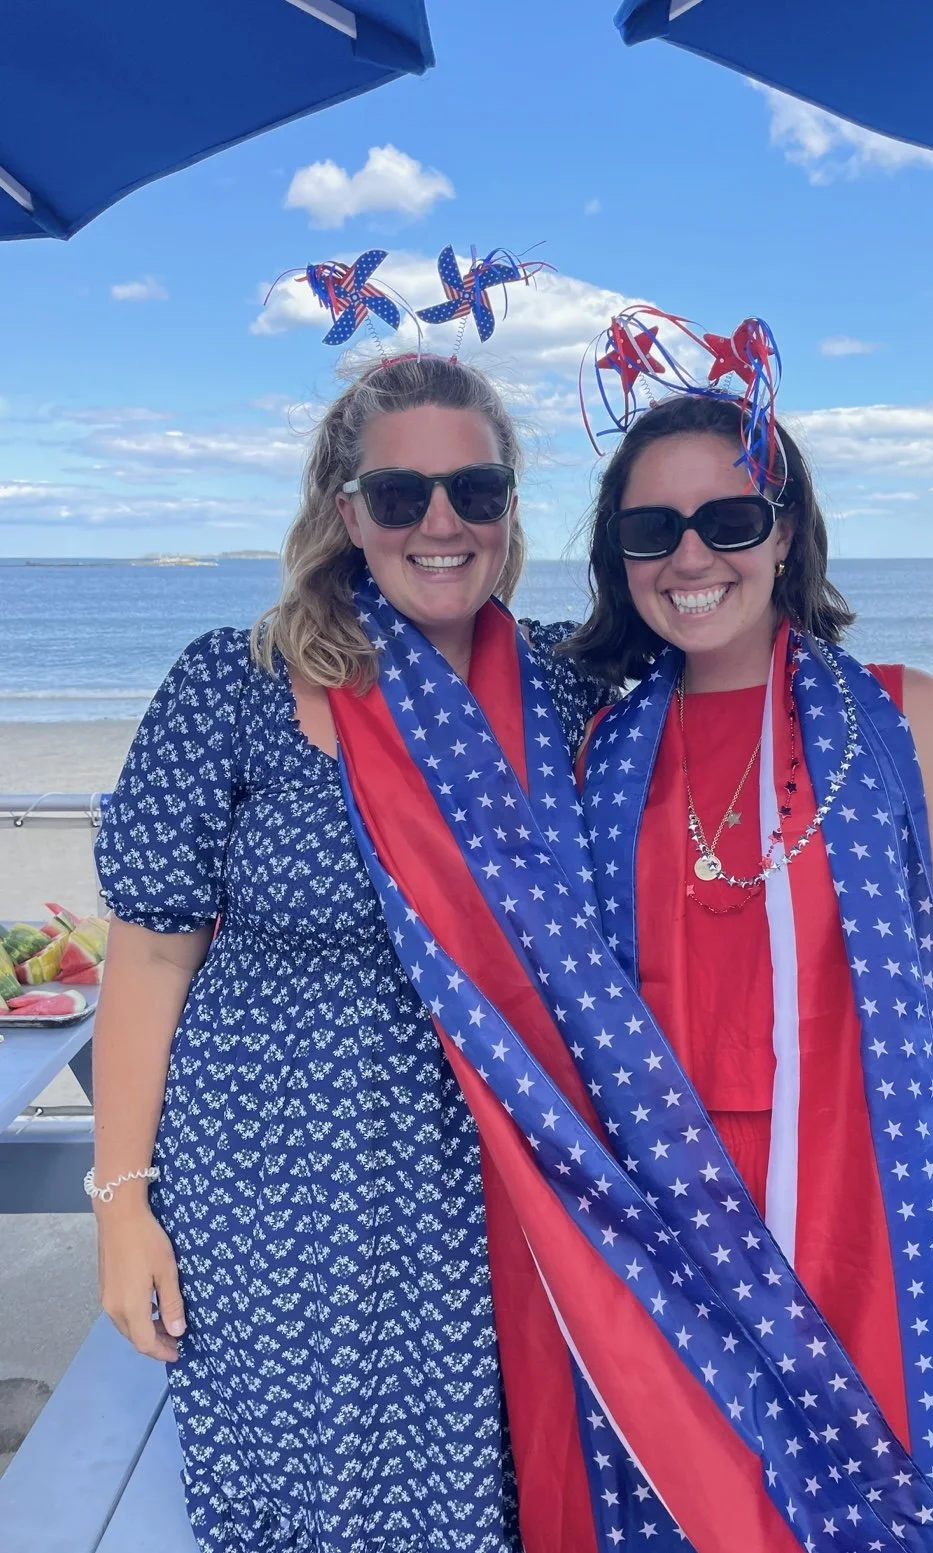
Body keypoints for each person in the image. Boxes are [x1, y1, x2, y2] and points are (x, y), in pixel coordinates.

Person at [90, 353, 609, 1553]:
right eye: (400, 496)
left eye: (475, 492)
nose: (441, 523)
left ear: (510, 509)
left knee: (486, 1489)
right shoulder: (237, 683)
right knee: (301, 1504)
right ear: (345, 514)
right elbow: (152, 959)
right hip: (271, 1196)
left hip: (488, 1190)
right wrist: (122, 1205)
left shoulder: (558, 692)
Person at [563, 388, 933, 1548]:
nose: (689, 555)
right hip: (675, 1231)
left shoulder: (905, 716)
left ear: (782, 531)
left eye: (727, 518)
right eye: (648, 528)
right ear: (617, 556)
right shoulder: (597, 753)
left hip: (872, 1220)